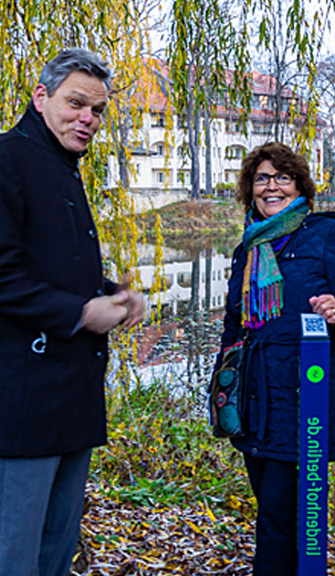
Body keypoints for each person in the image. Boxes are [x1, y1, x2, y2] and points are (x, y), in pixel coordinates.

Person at [0, 48, 146, 576]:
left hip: (72, 403)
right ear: (41, 98)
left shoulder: (63, 165)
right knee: (14, 557)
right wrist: (84, 313)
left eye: (98, 110)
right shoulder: (7, 158)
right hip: (21, 410)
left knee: (55, 555)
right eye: (76, 103)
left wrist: (114, 295)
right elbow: (3, 278)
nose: (88, 118)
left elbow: (53, 271)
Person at [214, 142, 335, 574]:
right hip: (253, 402)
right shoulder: (247, 249)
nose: (272, 186)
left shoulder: (327, 235)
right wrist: (222, 388)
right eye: (262, 178)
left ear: (300, 186)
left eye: (282, 177)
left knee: (281, 518)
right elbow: (235, 328)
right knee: (272, 514)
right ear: (250, 189)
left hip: (305, 399)